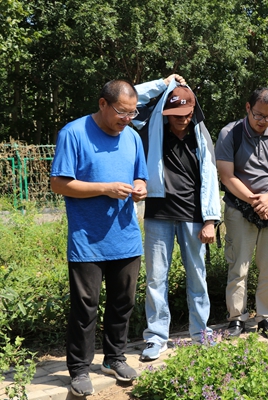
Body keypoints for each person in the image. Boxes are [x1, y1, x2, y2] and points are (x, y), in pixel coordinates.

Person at [50, 80, 148, 396]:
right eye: (122, 112)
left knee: (123, 303)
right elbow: (58, 183)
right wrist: (105, 188)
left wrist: (140, 187)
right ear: (103, 104)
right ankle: (79, 369)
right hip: (87, 240)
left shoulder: (133, 137)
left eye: (132, 113)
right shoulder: (74, 133)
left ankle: (114, 358)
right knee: (85, 308)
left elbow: (140, 175)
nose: (127, 119)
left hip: (126, 236)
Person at [131, 76, 221, 360]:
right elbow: (130, 98)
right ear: (165, 113)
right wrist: (162, 83)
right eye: (175, 115)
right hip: (158, 213)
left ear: (193, 111)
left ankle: (201, 333)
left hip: (194, 216)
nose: (181, 120)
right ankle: (156, 338)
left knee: (198, 277)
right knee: (156, 279)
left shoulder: (201, 137)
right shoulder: (151, 129)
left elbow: (211, 178)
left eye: (185, 114)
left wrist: (210, 220)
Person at [215, 88, 268, 339]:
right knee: (238, 267)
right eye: (259, 115)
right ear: (248, 108)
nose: (263, 121)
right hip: (239, 208)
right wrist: (253, 200)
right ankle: (236, 318)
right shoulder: (230, 133)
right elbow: (226, 176)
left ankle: (267, 318)